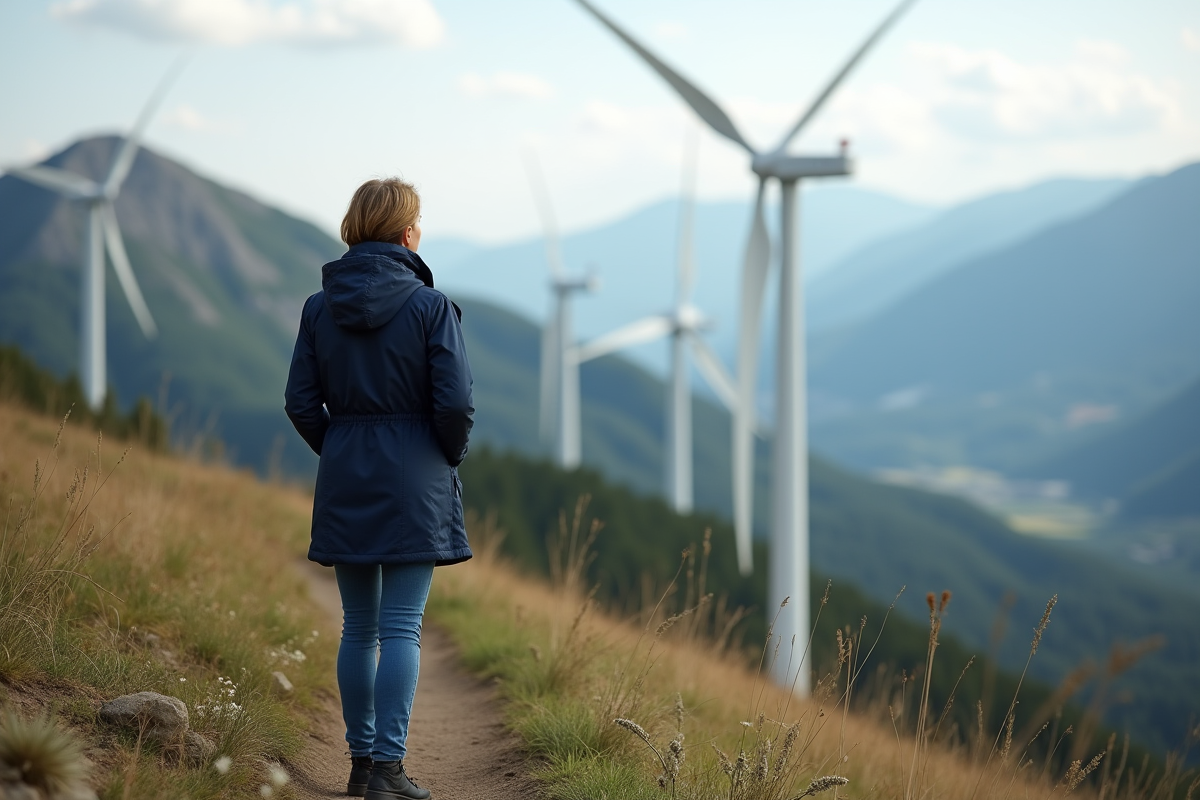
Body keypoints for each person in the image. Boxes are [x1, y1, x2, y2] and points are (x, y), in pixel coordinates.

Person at [285, 177, 474, 800]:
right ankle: (390, 771)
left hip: (346, 475)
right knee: (402, 626)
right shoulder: (430, 306)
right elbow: (455, 404)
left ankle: (362, 766)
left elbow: (300, 403)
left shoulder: (319, 307)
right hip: (416, 474)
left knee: (358, 627)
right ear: (405, 232)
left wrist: (339, 450)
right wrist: (442, 457)